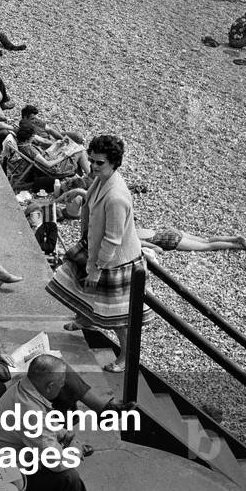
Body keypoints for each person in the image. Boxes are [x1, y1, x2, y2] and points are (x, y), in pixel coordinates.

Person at [47, 134, 152, 373]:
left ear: (114, 162)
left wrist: (97, 269)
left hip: (114, 260)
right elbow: (92, 201)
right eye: (92, 160)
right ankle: (86, 319)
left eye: (99, 162)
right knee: (77, 282)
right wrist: (79, 193)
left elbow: (113, 240)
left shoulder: (116, 197)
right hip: (93, 246)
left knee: (117, 317)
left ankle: (127, 357)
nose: (93, 166)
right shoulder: (102, 180)